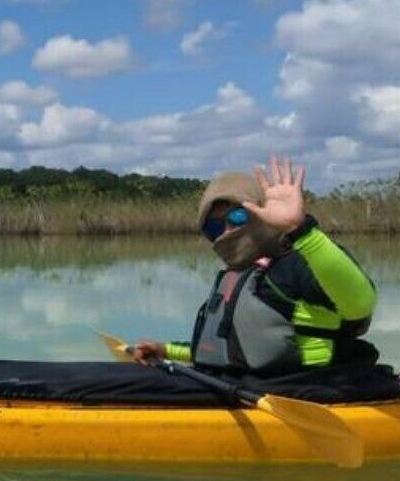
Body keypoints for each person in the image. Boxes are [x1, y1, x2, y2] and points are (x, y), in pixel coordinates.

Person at [132, 156, 378, 377]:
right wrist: (164, 350)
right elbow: (225, 348)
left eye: (238, 217)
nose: (227, 231)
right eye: (214, 228)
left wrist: (299, 230)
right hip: (242, 388)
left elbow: (360, 305)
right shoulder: (241, 275)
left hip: (307, 390)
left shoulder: (300, 262)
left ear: (261, 211)